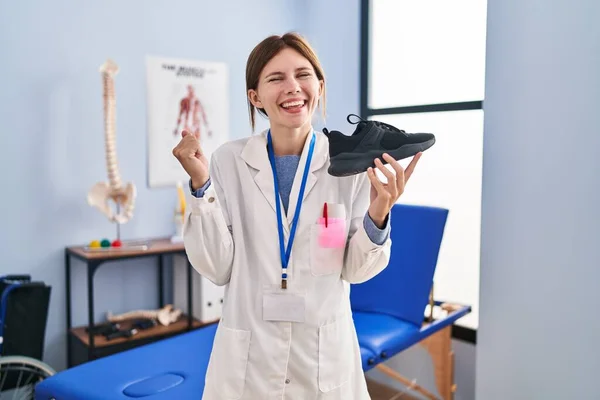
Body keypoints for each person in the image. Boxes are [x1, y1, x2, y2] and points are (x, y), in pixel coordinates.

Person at [172, 32, 421, 400]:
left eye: (303, 75)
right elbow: (217, 267)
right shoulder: (228, 161)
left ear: (319, 86)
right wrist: (199, 185)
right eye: (276, 78)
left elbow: (355, 270)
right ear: (255, 96)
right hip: (248, 367)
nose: (293, 87)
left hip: (322, 361)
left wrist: (380, 210)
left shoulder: (348, 166)